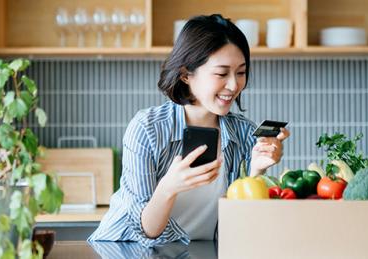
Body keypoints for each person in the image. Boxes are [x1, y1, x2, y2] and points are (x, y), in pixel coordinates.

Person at [88, 14, 290, 248]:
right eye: (222, 73)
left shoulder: (245, 133)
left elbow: (241, 227)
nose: (234, 85)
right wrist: (168, 188)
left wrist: (256, 171)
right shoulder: (148, 129)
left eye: (241, 72)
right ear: (186, 74)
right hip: (127, 250)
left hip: (199, 252)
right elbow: (146, 232)